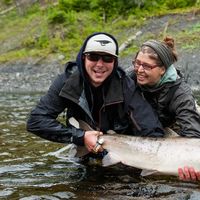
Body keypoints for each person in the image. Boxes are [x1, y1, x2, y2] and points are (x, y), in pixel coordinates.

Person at [27, 32, 164, 162]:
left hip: (120, 152)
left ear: (114, 62)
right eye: (93, 57)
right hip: (82, 146)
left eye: (107, 58)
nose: (100, 64)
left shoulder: (126, 86)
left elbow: (151, 130)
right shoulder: (67, 82)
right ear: (83, 58)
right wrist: (81, 136)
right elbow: (36, 121)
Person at [128, 36, 200, 181]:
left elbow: (192, 134)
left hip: (171, 125)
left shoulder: (180, 93)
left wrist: (189, 164)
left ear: (162, 69)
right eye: (137, 63)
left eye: (147, 66)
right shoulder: (129, 76)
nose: (140, 70)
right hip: (142, 122)